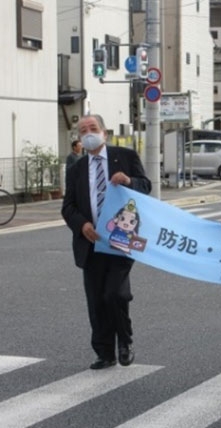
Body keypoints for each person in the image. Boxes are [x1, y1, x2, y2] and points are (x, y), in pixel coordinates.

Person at [62, 114, 152, 370]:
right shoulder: (77, 168)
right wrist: (82, 225)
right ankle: (104, 352)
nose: (88, 133)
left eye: (93, 128)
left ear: (104, 132)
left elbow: (146, 187)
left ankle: (125, 342)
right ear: (79, 139)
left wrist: (128, 181)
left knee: (115, 292)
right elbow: (68, 206)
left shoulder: (125, 156)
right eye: (83, 131)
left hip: (121, 239)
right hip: (90, 242)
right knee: (96, 299)